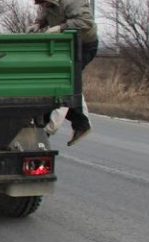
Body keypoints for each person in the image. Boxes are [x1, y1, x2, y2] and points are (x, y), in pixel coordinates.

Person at [27, 0, 99, 146]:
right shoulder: (50, 5)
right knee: (68, 82)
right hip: (66, 45)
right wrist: (38, 24)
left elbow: (85, 22)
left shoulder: (72, 2)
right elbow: (47, 16)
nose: (43, 6)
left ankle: (50, 128)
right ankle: (81, 123)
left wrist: (60, 27)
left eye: (44, 3)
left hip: (84, 45)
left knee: (64, 82)